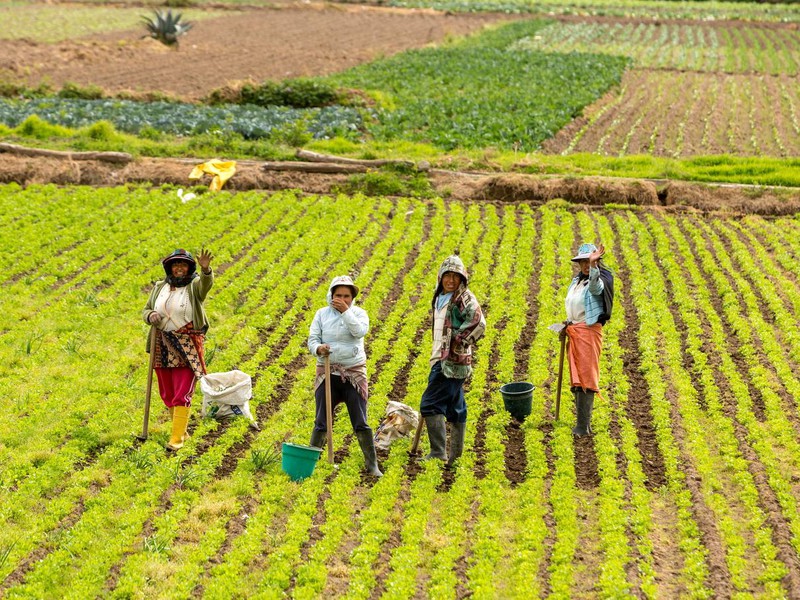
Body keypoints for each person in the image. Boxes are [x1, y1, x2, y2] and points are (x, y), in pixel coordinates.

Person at [308, 275, 382, 477]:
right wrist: (318, 348)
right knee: (322, 420)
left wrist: (346, 312)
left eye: (346, 296)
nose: (342, 299)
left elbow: (359, 332)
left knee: (360, 420)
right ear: (331, 295)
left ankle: (372, 465)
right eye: (338, 295)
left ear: (352, 297)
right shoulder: (321, 314)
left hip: (353, 374)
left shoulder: (359, 314)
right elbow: (312, 339)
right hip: (327, 372)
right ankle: (311, 464)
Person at [142, 248, 214, 450]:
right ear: (170, 268)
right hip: (162, 342)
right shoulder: (160, 287)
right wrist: (150, 316)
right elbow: (146, 309)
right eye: (175, 265)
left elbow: (206, 285)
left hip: (187, 342)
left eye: (183, 265)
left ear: (189, 268)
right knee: (167, 392)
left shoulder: (194, 286)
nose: (179, 268)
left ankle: (176, 439)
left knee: (182, 392)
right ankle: (182, 430)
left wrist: (206, 269)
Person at [419, 255, 486, 466]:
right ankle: (455, 456)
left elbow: (479, 322)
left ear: (462, 279)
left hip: (450, 362)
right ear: (440, 278)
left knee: (429, 404)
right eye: (446, 276)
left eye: (455, 276)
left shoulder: (463, 298)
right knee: (457, 406)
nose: (450, 280)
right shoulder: (439, 297)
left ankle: (438, 452)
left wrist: (459, 339)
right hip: (439, 357)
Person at [562, 243, 614, 436]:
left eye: (590, 261)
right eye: (583, 262)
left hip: (588, 331)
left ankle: (583, 426)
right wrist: (566, 324)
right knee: (576, 377)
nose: (586, 265)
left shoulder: (596, 279)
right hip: (574, 331)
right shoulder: (576, 282)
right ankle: (582, 424)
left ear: (597, 261)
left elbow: (595, 288)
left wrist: (593, 267)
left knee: (586, 376)